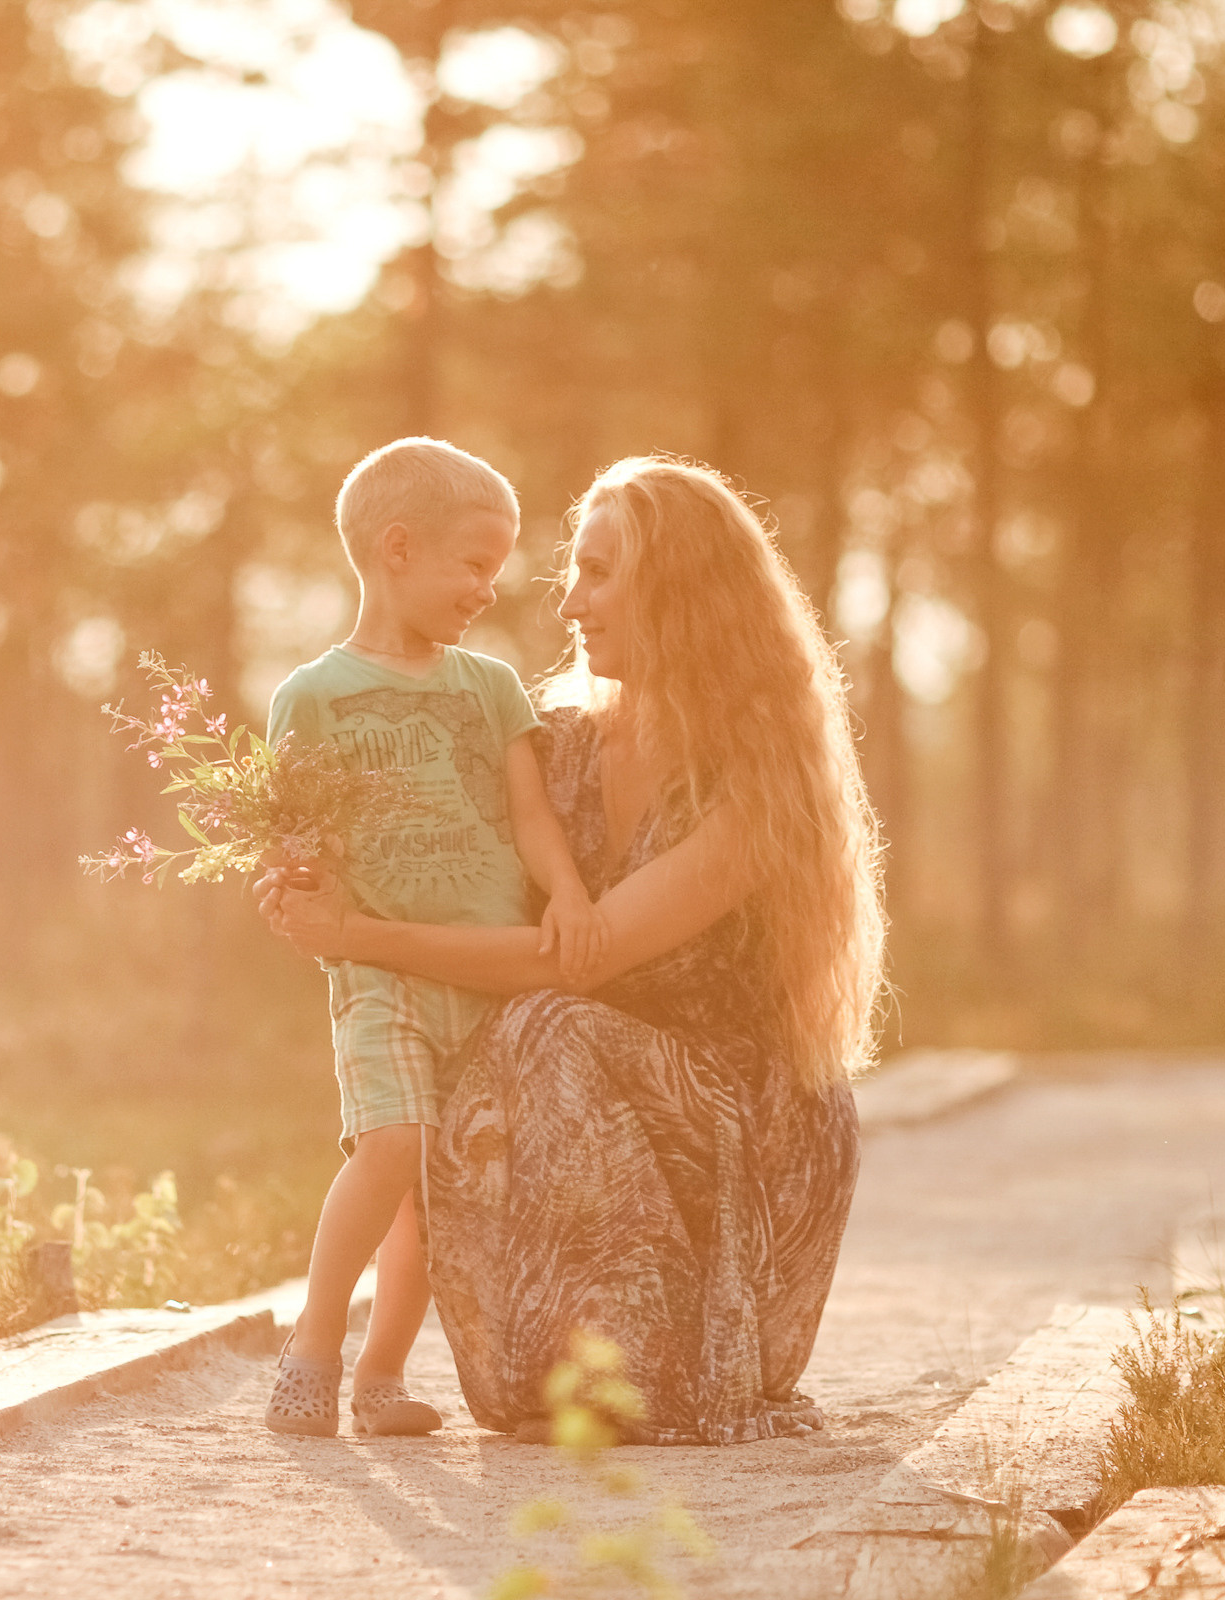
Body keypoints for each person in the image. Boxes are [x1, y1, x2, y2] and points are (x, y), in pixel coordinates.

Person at [260, 454, 882, 1444]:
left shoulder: (760, 785)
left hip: (741, 1119)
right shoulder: (558, 739)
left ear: (679, 593)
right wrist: (304, 875)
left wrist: (358, 938)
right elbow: (428, 845)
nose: (569, 603)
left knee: (541, 1024)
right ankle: (384, 1354)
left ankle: (647, 1357)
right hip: (577, 1089)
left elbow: (570, 964)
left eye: (597, 573)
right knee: (491, 1052)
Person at [262, 436, 606, 1440]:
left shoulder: (490, 686)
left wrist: (568, 892)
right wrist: (290, 882)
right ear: (399, 548)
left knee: (436, 1192)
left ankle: (382, 1376)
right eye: (475, 563)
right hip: (380, 974)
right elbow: (297, 837)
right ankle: (312, 1348)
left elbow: (530, 816)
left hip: (490, 978)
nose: (488, 589)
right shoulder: (310, 696)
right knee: (393, 1148)